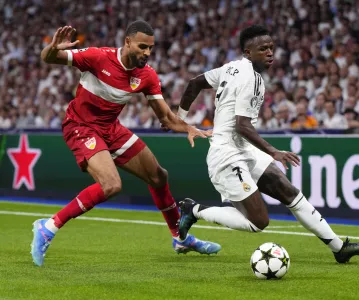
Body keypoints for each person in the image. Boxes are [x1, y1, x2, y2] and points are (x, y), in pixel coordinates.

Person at [175, 25, 359, 264]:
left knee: (287, 190)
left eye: (271, 47)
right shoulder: (250, 78)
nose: (270, 52)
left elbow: (194, 83)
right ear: (248, 52)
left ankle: (338, 248)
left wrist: (179, 118)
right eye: (263, 49)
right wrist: (273, 151)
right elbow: (242, 125)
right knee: (259, 222)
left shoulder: (231, 68)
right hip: (227, 154)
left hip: (243, 148)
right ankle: (193, 209)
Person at [30, 21, 221, 267]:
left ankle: (180, 238)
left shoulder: (147, 75)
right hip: (81, 126)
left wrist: (188, 128)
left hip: (111, 128)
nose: (147, 53)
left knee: (158, 176)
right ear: (127, 42)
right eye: (143, 46)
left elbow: (164, 117)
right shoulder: (97, 57)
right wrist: (53, 49)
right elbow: (49, 58)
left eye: (151, 48)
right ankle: (48, 227)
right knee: (110, 185)